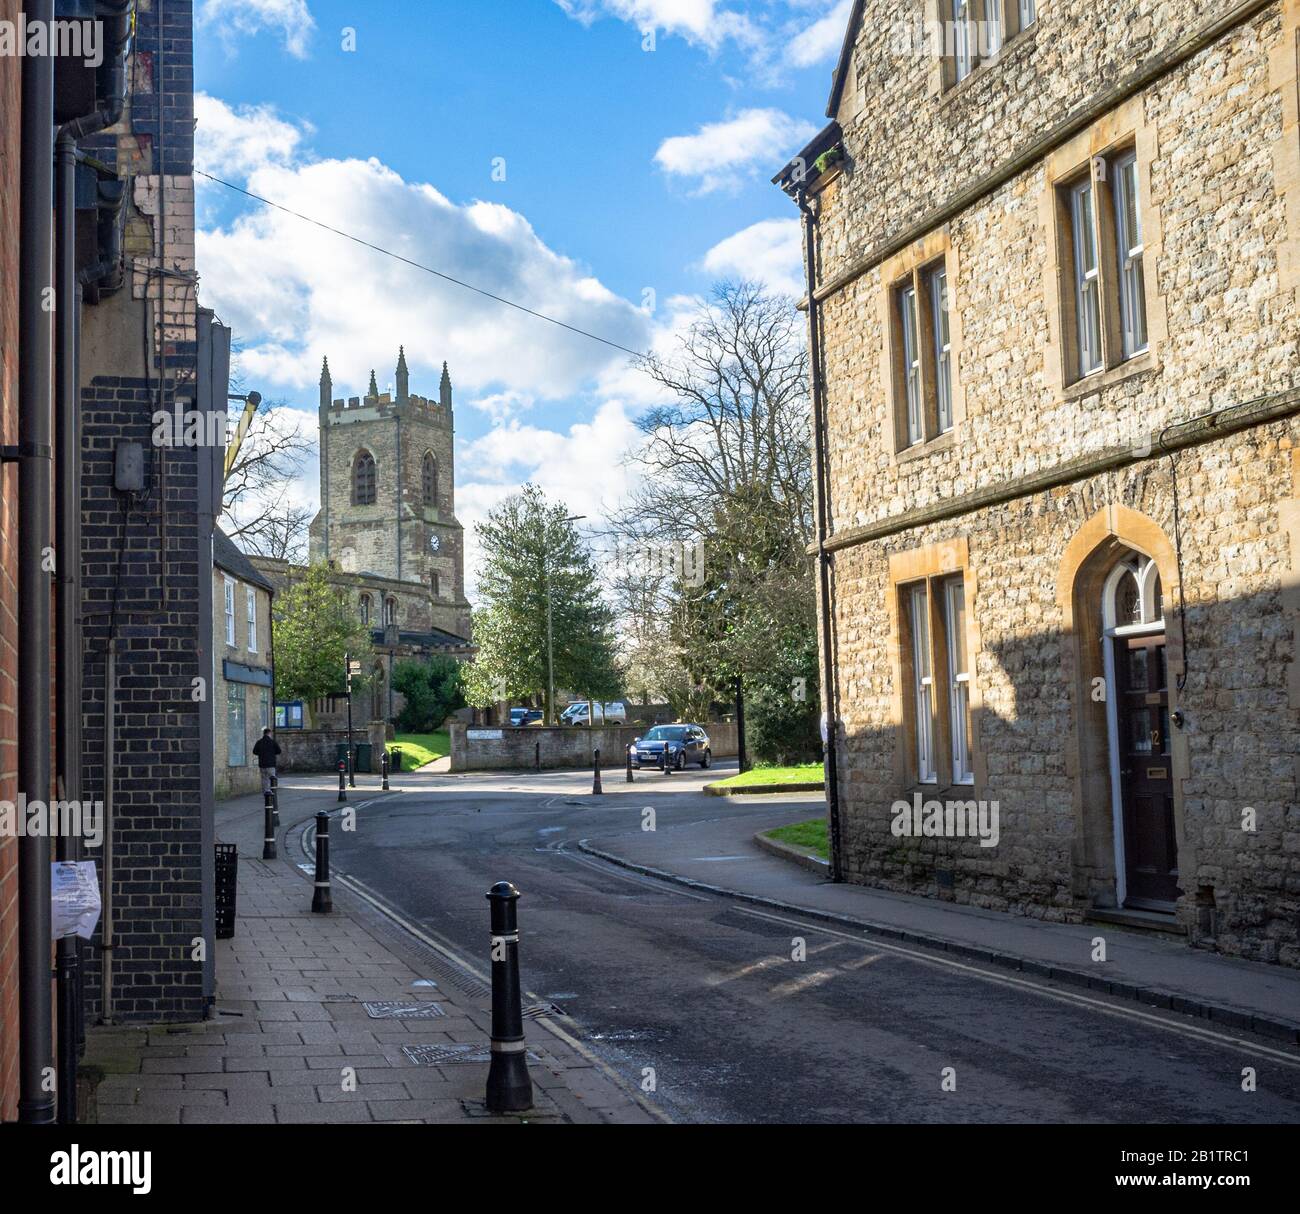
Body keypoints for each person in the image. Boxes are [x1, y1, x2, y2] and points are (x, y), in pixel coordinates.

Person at [253, 727, 281, 795]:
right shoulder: (272, 742)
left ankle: (266, 793)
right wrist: (272, 753)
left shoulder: (259, 742)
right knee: (272, 779)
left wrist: (261, 754)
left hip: (262, 764)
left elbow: (254, 751)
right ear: (269, 733)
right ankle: (273, 794)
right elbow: (279, 751)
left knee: (264, 779)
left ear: (264, 733)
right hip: (271, 764)